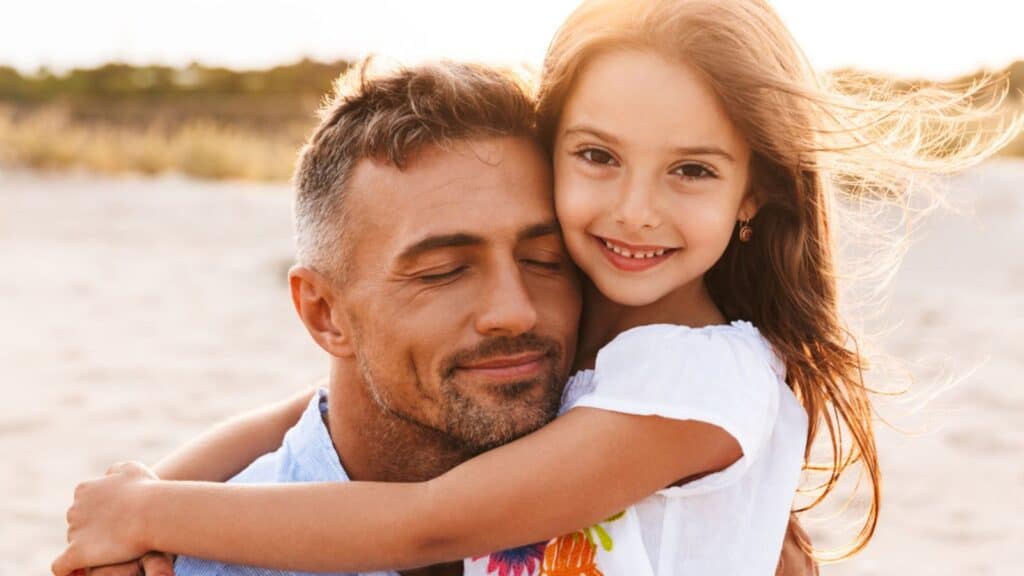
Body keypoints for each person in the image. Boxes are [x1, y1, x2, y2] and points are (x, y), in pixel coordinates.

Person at [55, 0, 1017, 575]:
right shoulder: (608, 331)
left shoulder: (696, 379)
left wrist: (150, 512)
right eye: (598, 157)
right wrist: (144, 498)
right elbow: (294, 416)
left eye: (691, 171)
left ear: (754, 192)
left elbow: (438, 519)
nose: (634, 211)